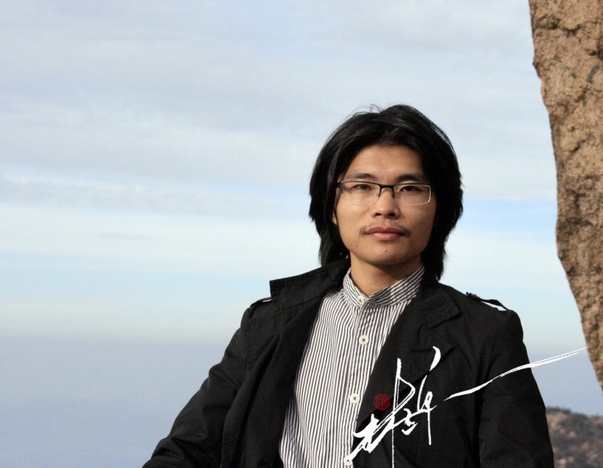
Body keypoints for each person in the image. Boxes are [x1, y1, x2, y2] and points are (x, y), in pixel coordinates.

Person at [144, 104, 553, 467]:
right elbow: (188, 450)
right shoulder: (269, 325)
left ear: (440, 209)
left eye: (410, 188)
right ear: (332, 207)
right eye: (362, 187)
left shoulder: (484, 336)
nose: (385, 206)